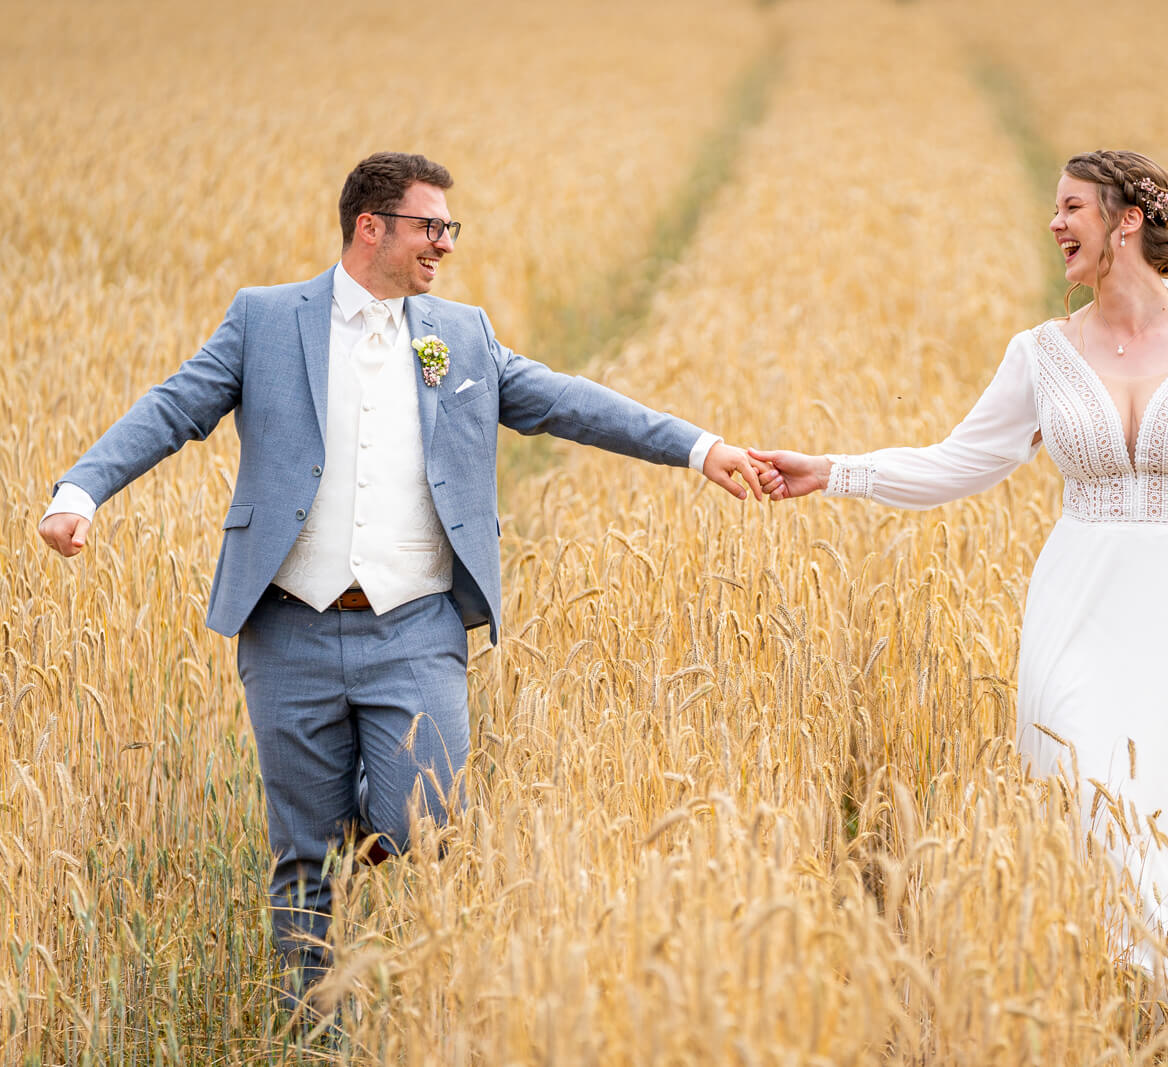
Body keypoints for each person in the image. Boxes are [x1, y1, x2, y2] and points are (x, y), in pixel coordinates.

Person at [37, 151, 767, 1012]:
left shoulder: (460, 335)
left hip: (415, 627)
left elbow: (571, 401)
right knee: (302, 851)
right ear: (370, 226)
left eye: (449, 228)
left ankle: (364, 847)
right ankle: (314, 1026)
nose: (446, 245)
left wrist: (700, 447)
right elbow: (171, 408)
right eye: (432, 225)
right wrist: (81, 489)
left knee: (424, 817)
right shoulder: (265, 321)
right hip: (287, 626)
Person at [751, 150, 1168, 995]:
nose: (1055, 223)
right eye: (1054, 208)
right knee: (1087, 778)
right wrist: (831, 470)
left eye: (1071, 207)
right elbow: (960, 461)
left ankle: (1158, 1002)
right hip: (1081, 605)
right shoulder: (1040, 354)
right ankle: (1117, 985)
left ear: (1125, 219)